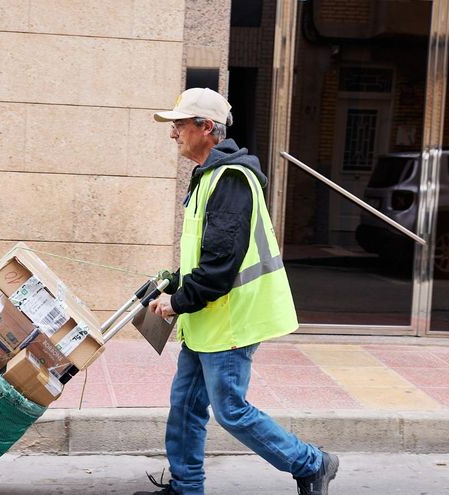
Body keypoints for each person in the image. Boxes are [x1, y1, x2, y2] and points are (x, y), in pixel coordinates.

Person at [133, 88, 339, 495]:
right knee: (186, 405)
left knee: (231, 411)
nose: (173, 133)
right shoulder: (209, 177)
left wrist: (177, 301)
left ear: (206, 127)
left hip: (231, 321)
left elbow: (221, 265)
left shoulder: (231, 180)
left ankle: (313, 463)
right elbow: (206, 255)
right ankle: (186, 487)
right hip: (210, 319)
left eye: (179, 124)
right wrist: (173, 283)